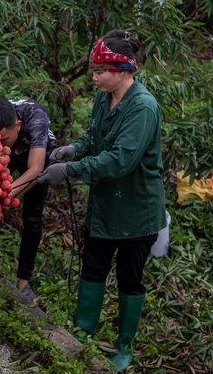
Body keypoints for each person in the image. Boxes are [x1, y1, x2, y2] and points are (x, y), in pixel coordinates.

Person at [35, 30, 166, 372]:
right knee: (93, 269)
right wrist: (75, 148)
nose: (93, 77)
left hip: (137, 209)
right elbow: (95, 137)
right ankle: (82, 332)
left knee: (129, 278)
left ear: (123, 70)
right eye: (93, 70)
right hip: (104, 205)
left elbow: (120, 160)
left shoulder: (142, 107)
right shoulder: (103, 96)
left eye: (100, 71)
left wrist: (71, 169)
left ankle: (125, 346)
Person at [0, 97, 56, 301]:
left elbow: (36, 169)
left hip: (37, 157)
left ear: (18, 125)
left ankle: (24, 280)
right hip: (8, 157)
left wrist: (6, 194)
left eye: (3, 139)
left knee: (32, 218)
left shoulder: (37, 119)